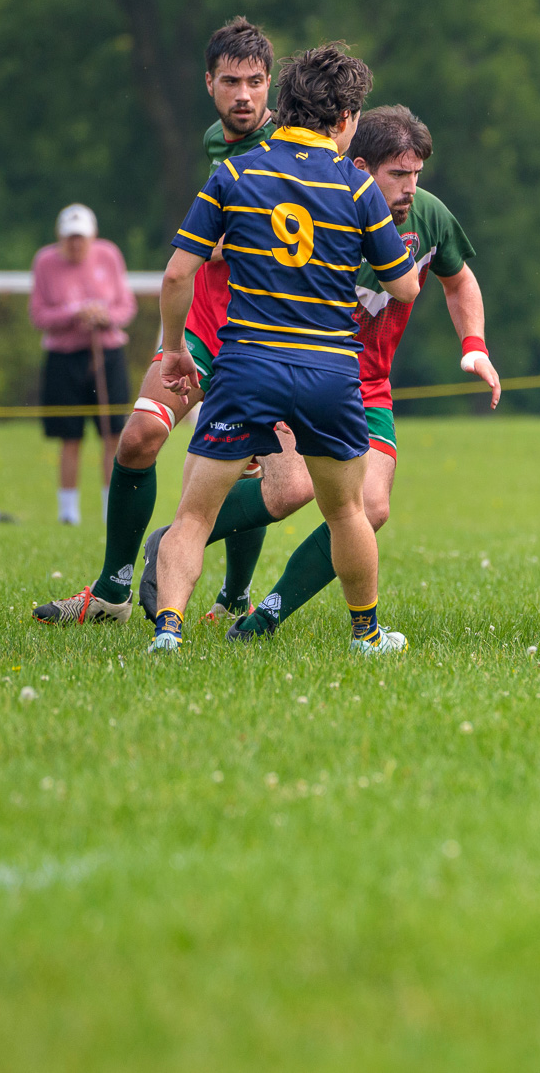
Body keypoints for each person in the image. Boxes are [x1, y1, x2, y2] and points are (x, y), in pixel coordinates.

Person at [33, 16, 309, 626]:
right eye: (232, 81)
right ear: (208, 82)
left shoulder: (298, 146)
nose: (244, 95)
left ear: (271, 86)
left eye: (256, 82)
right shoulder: (218, 141)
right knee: (137, 438)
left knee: (270, 475)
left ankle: (228, 588)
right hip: (206, 330)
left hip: (273, 335)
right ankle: (112, 592)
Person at [145, 42, 419, 655]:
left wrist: (173, 350)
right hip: (329, 369)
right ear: (346, 119)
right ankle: (366, 634)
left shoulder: (236, 172)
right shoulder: (355, 185)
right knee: (347, 511)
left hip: (247, 366)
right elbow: (402, 286)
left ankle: (168, 632)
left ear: (285, 103)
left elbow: (174, 276)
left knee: (194, 513)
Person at [227, 105, 501, 640]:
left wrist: (474, 346)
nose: (410, 188)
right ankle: (172, 545)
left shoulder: (428, 215)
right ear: (358, 167)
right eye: (398, 174)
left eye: (417, 173)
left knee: (371, 507)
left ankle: (266, 615)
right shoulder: (321, 213)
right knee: (288, 493)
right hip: (301, 369)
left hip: (368, 386)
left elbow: (459, 279)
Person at [28, 203, 135, 526]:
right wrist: (74, 313)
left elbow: (125, 307)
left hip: (107, 354)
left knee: (112, 434)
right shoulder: (45, 261)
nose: (76, 245)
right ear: (60, 237)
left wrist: (105, 317)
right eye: (70, 238)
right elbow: (39, 315)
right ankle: (68, 514)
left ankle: (109, 510)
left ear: (93, 237)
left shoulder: (109, 255)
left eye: (82, 238)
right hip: (64, 358)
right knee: (69, 436)